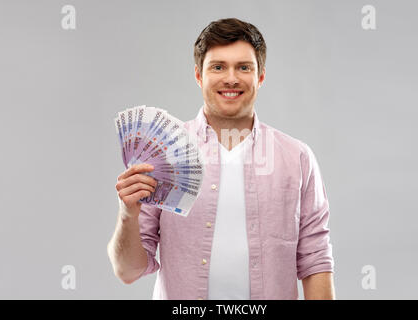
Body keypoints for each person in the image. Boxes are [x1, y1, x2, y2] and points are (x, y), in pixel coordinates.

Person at [107, 17, 335, 300]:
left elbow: (316, 260)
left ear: (261, 76)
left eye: (244, 67)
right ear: (198, 76)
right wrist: (128, 215)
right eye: (218, 67)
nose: (231, 78)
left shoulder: (297, 158)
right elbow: (127, 271)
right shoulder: (161, 156)